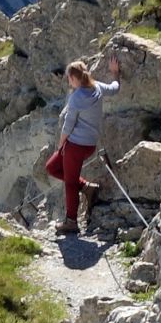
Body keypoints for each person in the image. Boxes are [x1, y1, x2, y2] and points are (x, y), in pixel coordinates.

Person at [46, 54, 121, 235]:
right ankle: (87, 187)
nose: (69, 83)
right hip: (89, 145)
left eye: (68, 79)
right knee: (51, 167)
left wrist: (60, 145)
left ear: (72, 78)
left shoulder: (76, 97)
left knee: (70, 183)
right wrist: (115, 73)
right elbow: (115, 88)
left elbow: (68, 125)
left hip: (74, 145)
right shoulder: (98, 87)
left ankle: (71, 222)